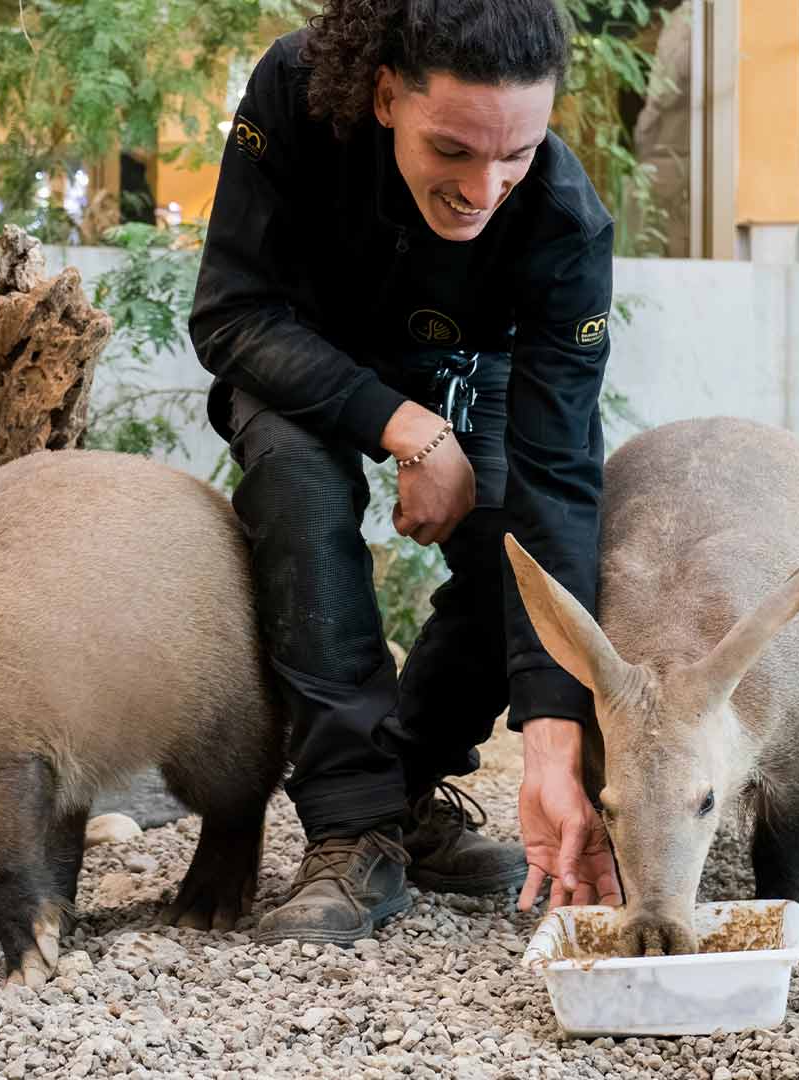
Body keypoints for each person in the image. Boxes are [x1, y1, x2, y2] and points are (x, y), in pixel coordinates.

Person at [189, 0, 626, 945]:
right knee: (299, 480)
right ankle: (351, 832)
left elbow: (562, 474)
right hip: (291, 349)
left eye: (518, 153)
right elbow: (230, 315)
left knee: (517, 524)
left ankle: (404, 790)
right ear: (387, 96)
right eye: (455, 150)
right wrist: (408, 431)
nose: (486, 186)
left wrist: (554, 737)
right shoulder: (295, 90)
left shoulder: (563, 224)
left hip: (464, 368)